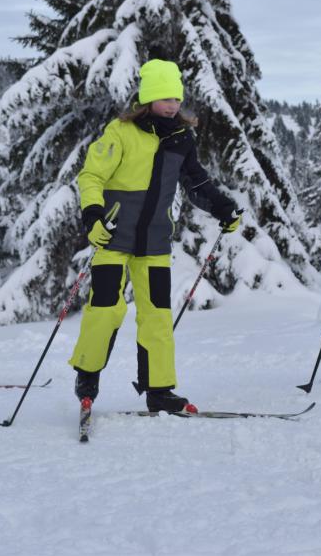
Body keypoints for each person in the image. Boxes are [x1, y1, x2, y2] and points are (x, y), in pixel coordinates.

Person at [70, 58, 241, 413]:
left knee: (157, 316)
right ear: (148, 98)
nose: (173, 105)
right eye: (165, 98)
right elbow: (91, 176)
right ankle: (88, 375)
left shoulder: (181, 139)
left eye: (177, 98)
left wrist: (224, 208)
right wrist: (93, 216)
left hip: (154, 241)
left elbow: (197, 183)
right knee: (105, 309)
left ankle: (159, 389)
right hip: (112, 237)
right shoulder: (121, 132)